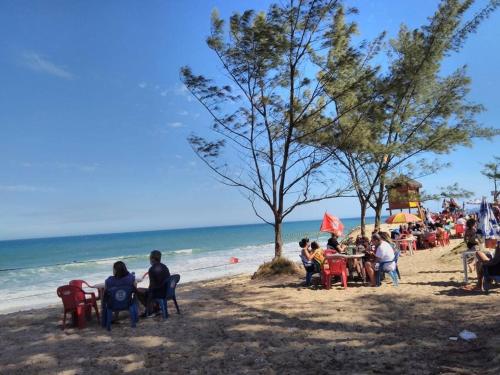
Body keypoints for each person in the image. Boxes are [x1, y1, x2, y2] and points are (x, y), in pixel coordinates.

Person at [136, 250, 171, 317]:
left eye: (150, 257)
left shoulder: (152, 269)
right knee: (143, 290)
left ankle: (150, 310)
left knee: (137, 290)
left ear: (152, 259)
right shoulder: (164, 266)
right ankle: (156, 308)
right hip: (167, 291)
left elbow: (151, 287)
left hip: (160, 293)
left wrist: (148, 297)